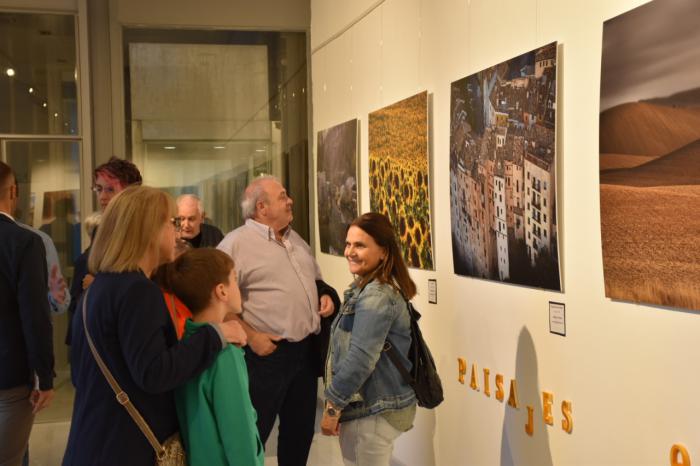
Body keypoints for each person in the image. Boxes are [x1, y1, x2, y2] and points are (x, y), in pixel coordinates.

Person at [62, 186, 247, 466]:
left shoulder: (101, 287)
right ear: (148, 230)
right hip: (124, 448)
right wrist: (216, 334)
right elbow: (154, 372)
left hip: (94, 440)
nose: (177, 232)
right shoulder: (137, 290)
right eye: (171, 223)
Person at [217, 175, 340, 466]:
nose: (290, 200)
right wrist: (253, 337)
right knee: (253, 434)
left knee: (299, 434)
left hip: (305, 354)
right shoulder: (234, 246)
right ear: (262, 208)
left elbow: (316, 281)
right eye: (283, 196)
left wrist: (326, 296)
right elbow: (219, 304)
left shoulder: (295, 239)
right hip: (265, 355)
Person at [321, 212, 417, 466]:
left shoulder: (376, 296)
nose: (349, 251)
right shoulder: (365, 288)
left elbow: (361, 358)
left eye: (360, 245)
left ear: (384, 252)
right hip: (368, 409)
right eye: (348, 244)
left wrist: (333, 407)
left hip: (373, 413)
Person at [157, 248, 264, 466]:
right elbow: (239, 437)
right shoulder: (226, 356)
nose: (238, 286)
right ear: (222, 291)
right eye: (234, 279)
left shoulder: (185, 345)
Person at [0, 162, 55, 466]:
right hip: (9, 375)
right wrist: (44, 378)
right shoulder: (23, 242)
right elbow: (34, 315)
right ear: (13, 192)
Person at [66, 157, 142, 345]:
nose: (102, 197)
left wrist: (100, 285)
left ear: (130, 193)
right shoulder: (103, 229)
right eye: (99, 189)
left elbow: (141, 281)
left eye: (110, 189)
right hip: (90, 327)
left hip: (118, 335)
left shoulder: (141, 232)